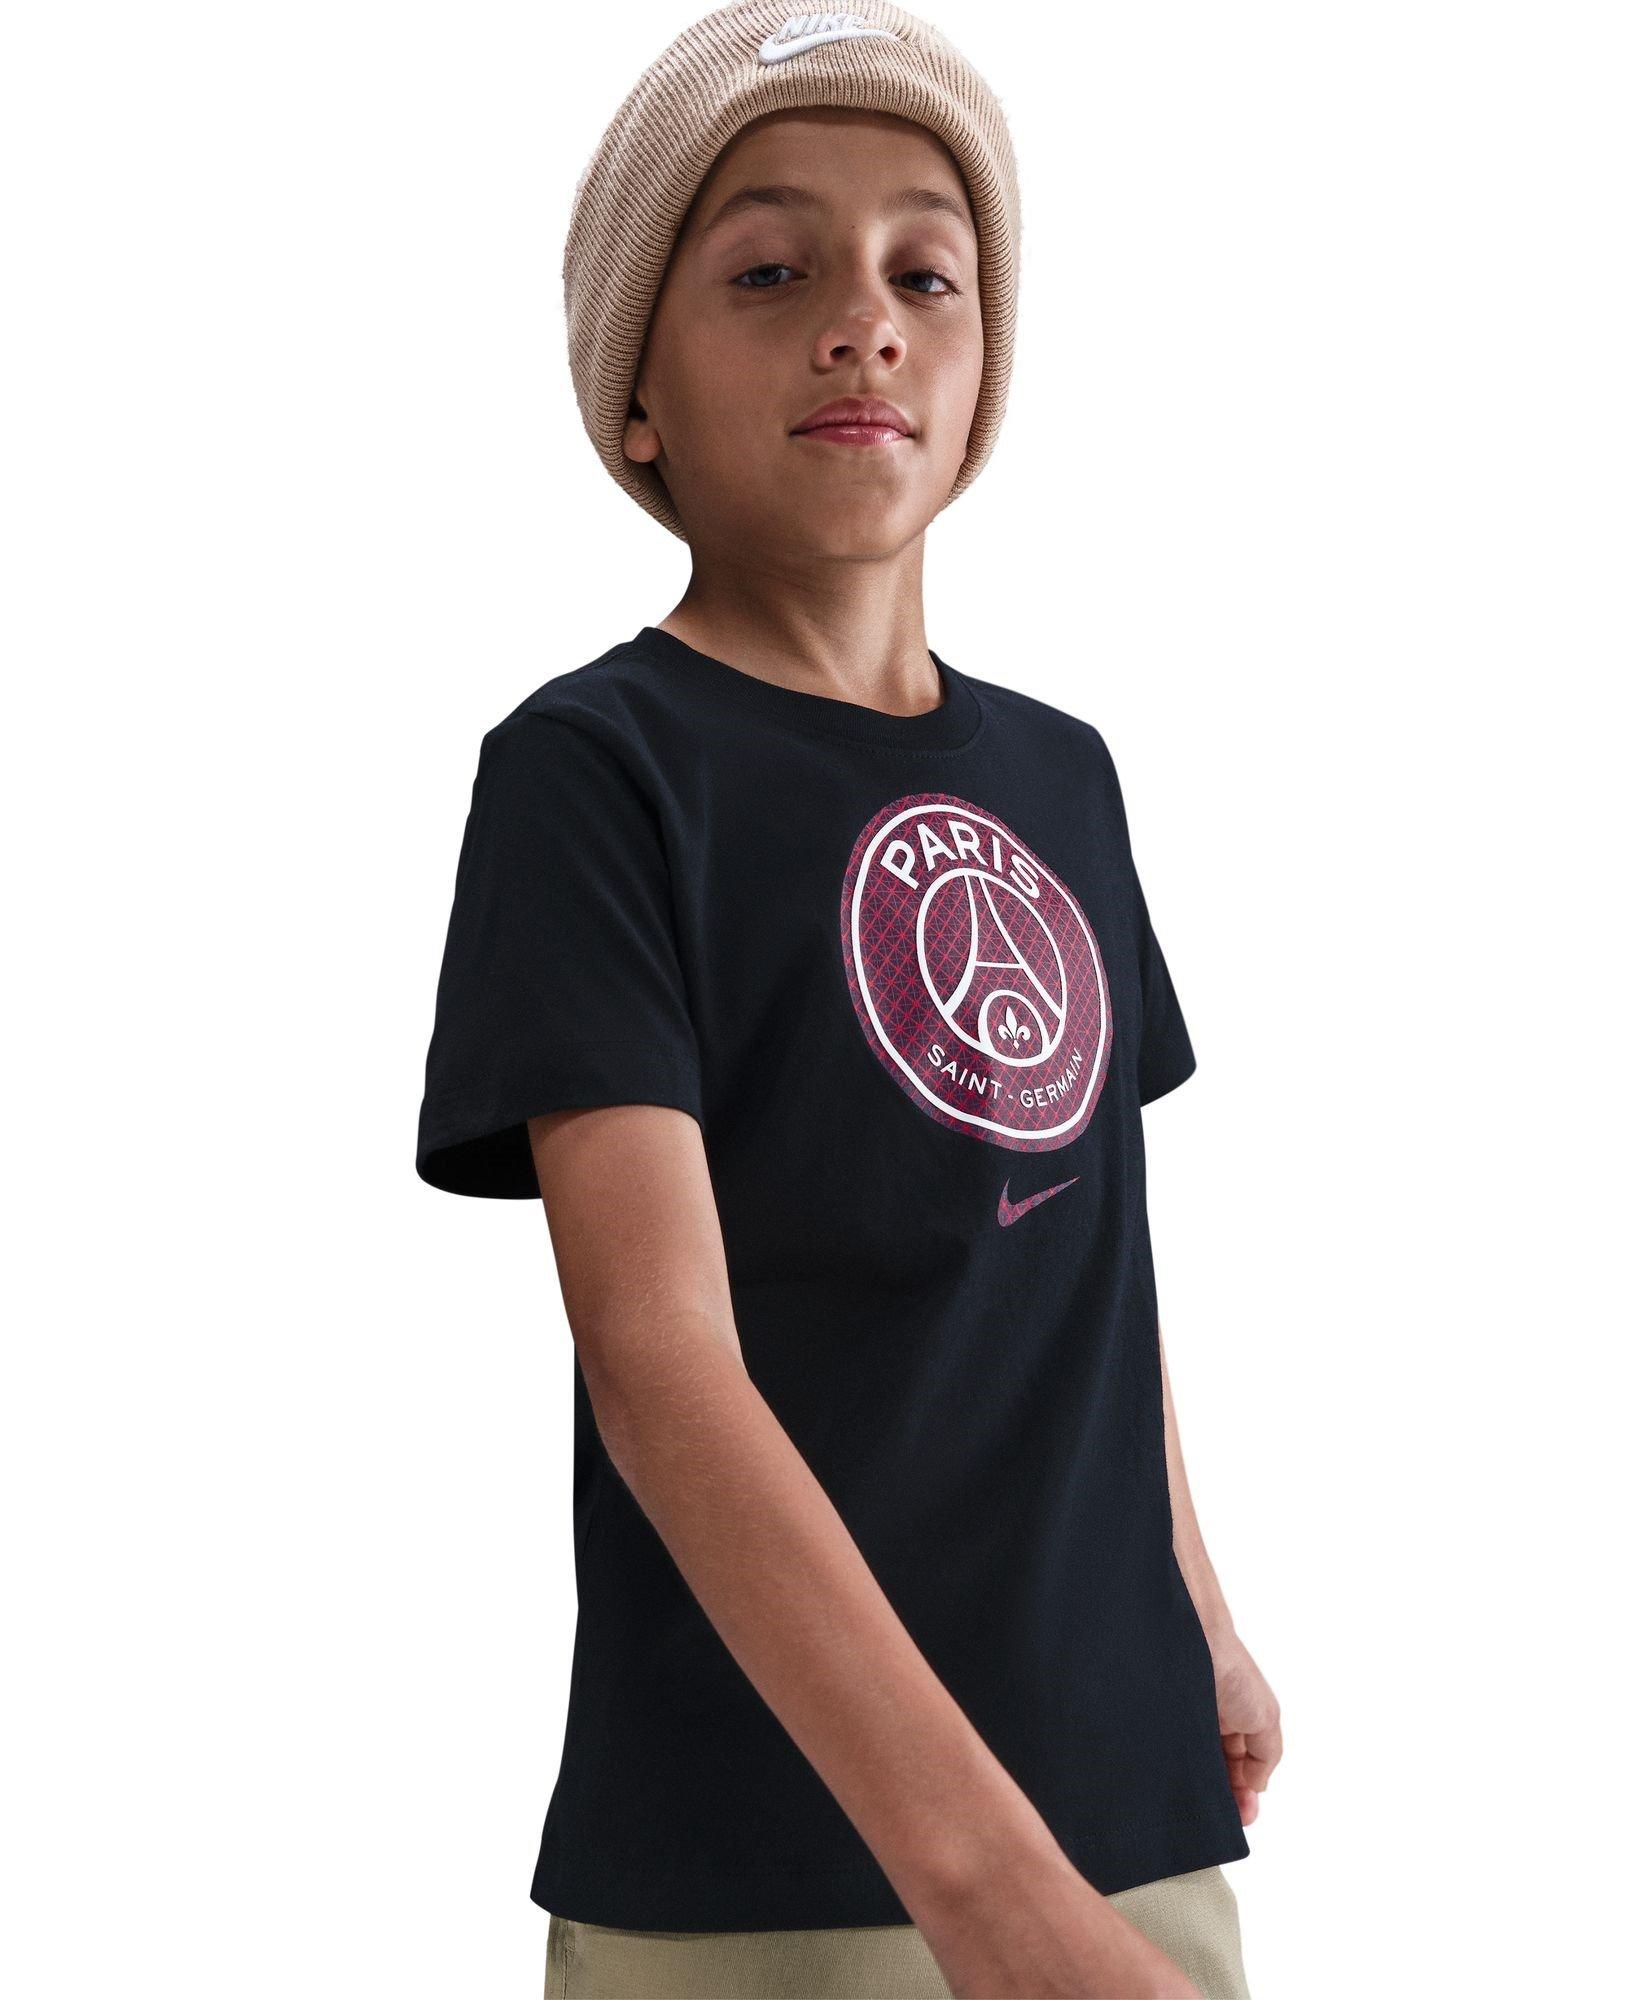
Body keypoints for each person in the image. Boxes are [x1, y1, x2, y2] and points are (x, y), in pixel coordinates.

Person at [415, 5, 1281, 1994]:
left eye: (924, 274)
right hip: (780, 1858)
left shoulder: (1063, 773)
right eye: (769, 270)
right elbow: (658, 1357)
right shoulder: (599, 772)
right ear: (633, 388)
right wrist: (991, 1895)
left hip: (1124, 1799)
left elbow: (1089, 1261)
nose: (863, 325)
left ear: (983, 374)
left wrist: (1199, 1614)